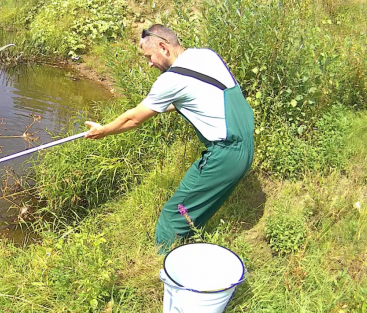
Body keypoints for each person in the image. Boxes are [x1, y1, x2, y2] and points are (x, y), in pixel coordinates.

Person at [84, 24, 254, 254]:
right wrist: (157, 107)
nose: (150, 64)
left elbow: (132, 119)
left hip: (225, 155)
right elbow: (201, 95)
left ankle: (163, 264)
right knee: (193, 211)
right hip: (246, 145)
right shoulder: (206, 55)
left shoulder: (171, 80)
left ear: (163, 47)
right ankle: (189, 247)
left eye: (149, 57)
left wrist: (103, 130)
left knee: (173, 217)